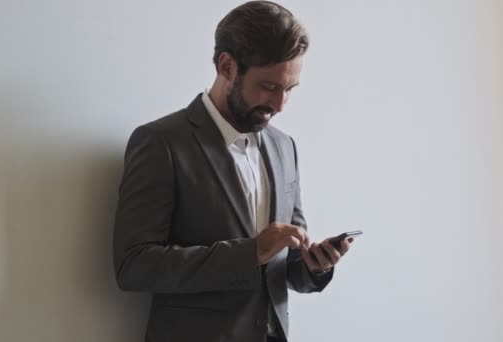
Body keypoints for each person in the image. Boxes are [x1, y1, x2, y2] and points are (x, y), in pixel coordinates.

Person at [113, 1, 355, 341]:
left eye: (289, 89)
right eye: (269, 87)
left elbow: (284, 269)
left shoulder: (284, 147)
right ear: (227, 66)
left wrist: (315, 266)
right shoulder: (161, 142)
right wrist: (251, 251)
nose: (280, 104)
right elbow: (134, 266)